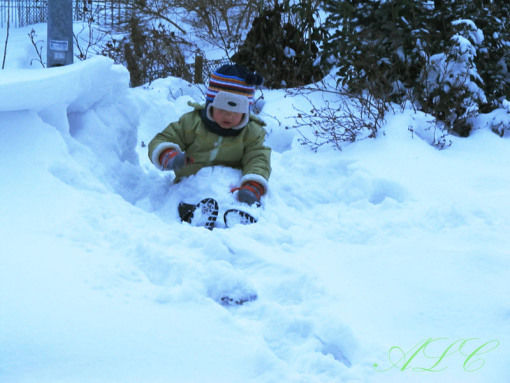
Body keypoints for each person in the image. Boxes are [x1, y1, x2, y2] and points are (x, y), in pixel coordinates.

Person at [148, 64, 271, 229]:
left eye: (235, 112)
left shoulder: (252, 132)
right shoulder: (192, 123)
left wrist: (252, 185)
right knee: (186, 196)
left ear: (246, 111)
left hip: (231, 187)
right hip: (192, 182)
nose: (228, 115)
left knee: (240, 199)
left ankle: (239, 216)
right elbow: (165, 138)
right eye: (222, 109)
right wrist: (169, 156)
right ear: (210, 104)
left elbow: (258, 158)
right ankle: (193, 213)